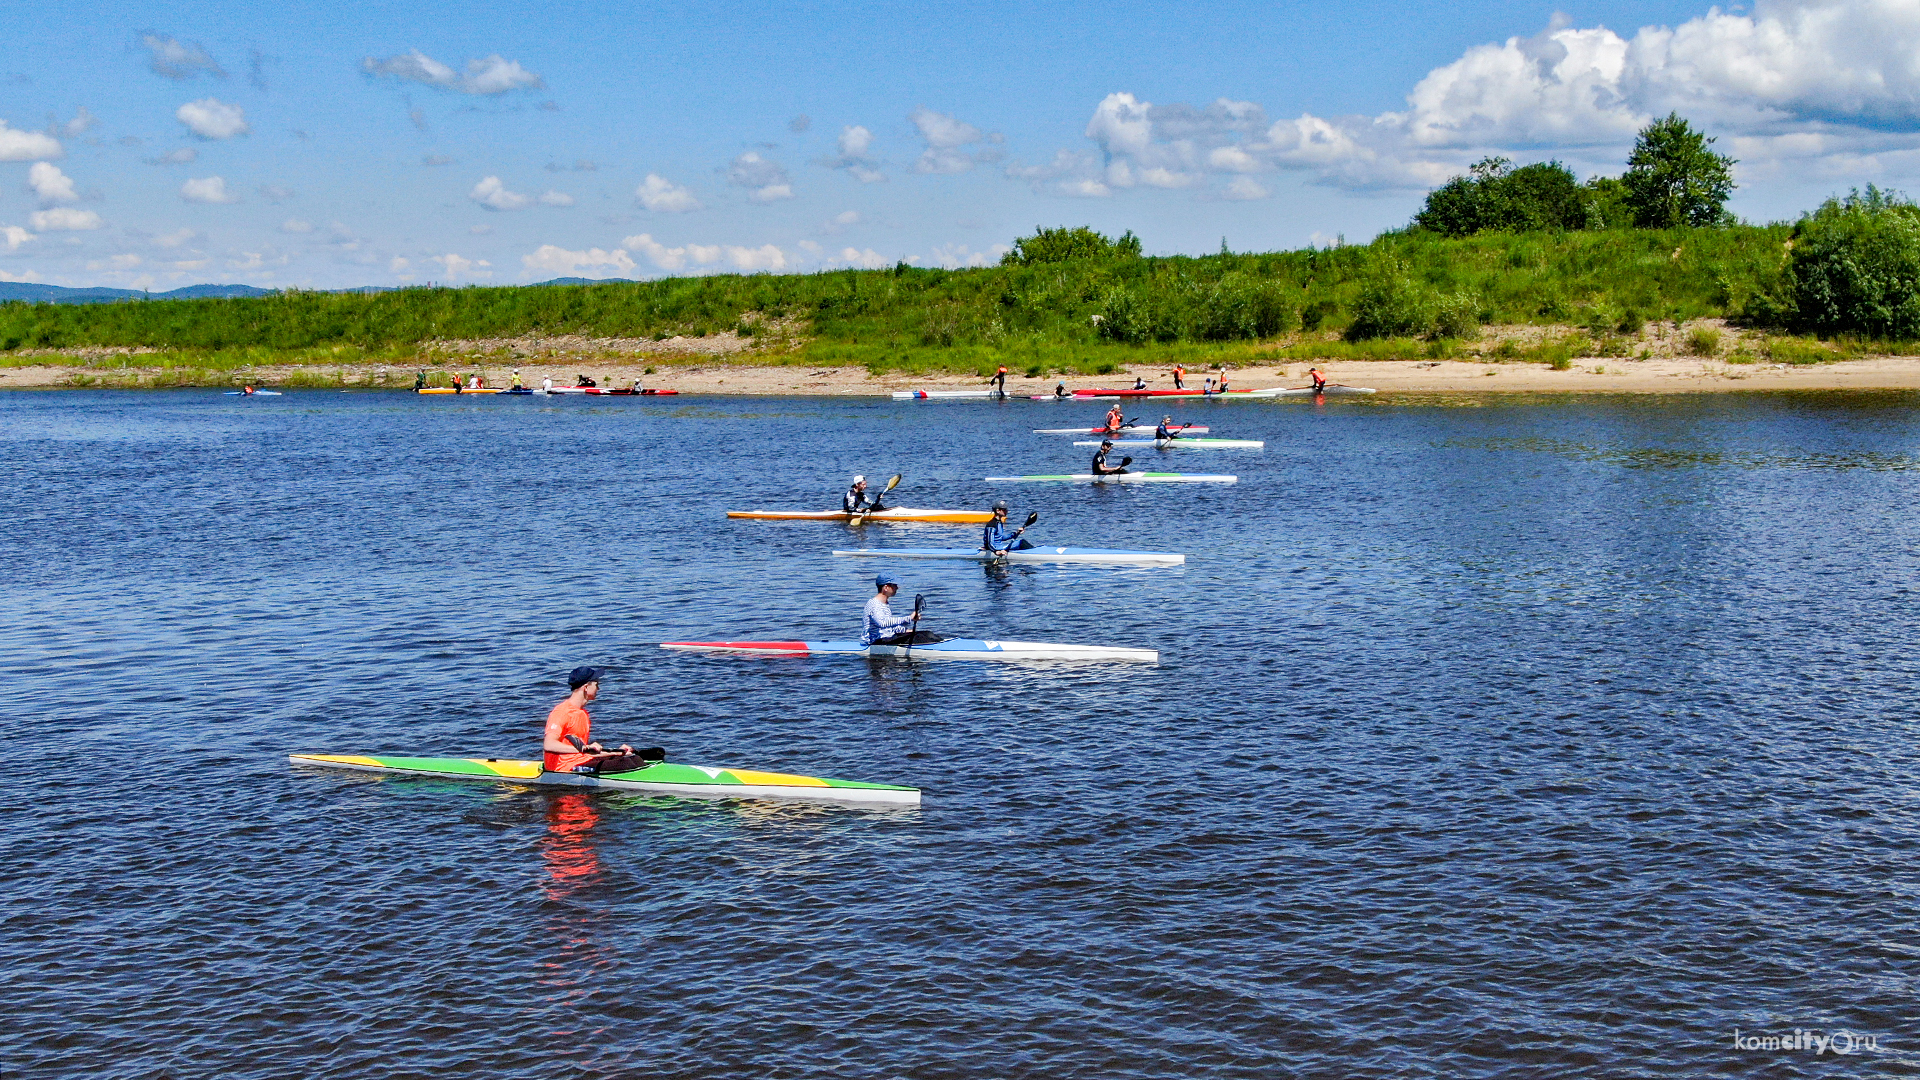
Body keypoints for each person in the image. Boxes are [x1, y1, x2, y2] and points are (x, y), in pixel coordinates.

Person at [543, 667, 651, 775]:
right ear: (586, 687)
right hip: (563, 767)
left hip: (581, 760)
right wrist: (585, 748)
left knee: (633, 758)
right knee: (625, 763)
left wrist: (618, 752)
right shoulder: (561, 712)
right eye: (596, 685)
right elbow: (549, 745)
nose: (598, 689)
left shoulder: (582, 713)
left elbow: (586, 752)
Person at [864, 574, 937, 646]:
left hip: (887, 638)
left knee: (927, 634)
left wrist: (905, 631)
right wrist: (909, 618)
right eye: (894, 585)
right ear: (886, 588)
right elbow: (882, 623)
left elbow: (889, 627)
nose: (897, 588)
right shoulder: (874, 604)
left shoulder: (884, 603)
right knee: (921, 637)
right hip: (876, 641)